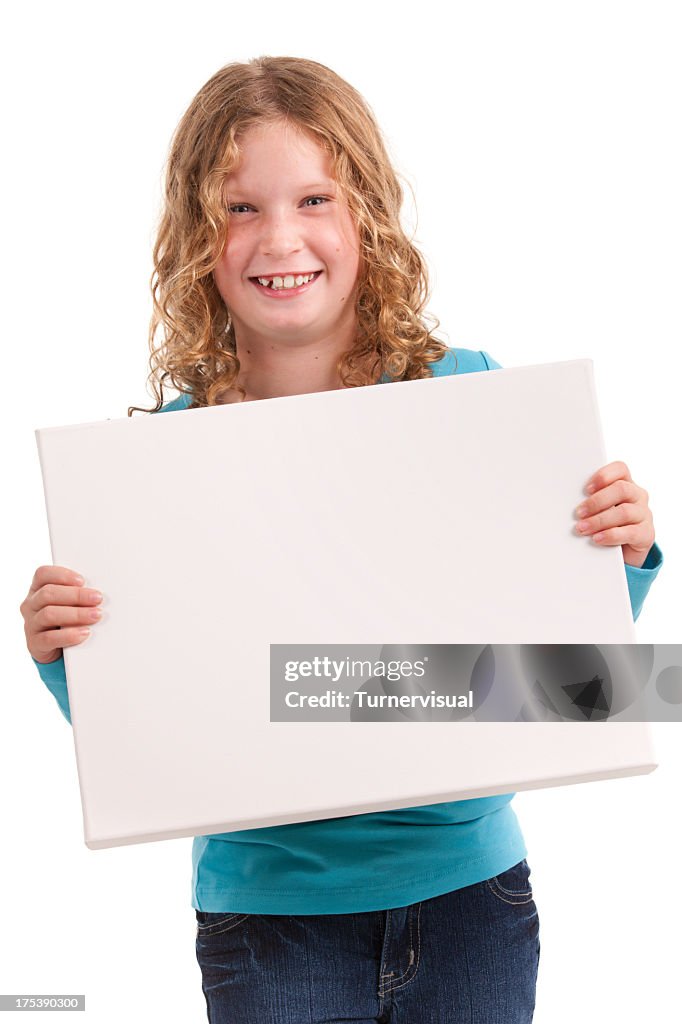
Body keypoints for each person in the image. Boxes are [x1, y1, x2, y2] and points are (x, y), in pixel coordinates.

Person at [20, 56, 663, 1024]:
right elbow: (162, 733)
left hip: (471, 897)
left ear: (363, 210)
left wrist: (621, 556)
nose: (281, 238)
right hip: (268, 917)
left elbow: (563, 672)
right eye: (239, 208)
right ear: (197, 236)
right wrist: (65, 652)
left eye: (313, 197)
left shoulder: (471, 395)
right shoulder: (156, 466)